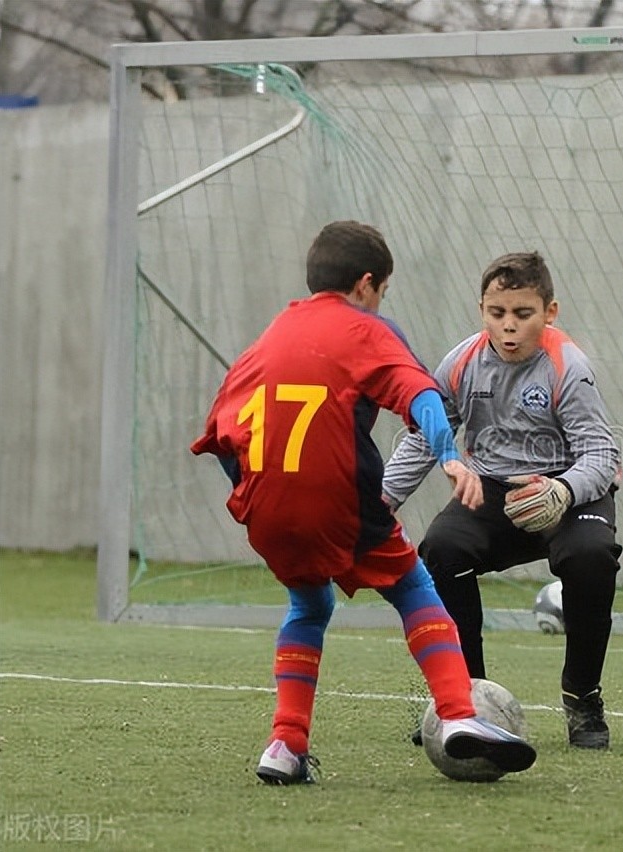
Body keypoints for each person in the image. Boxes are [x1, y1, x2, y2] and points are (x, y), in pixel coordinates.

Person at [190, 221, 536, 784]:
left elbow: (220, 428)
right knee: (412, 587)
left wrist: (255, 496)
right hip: (339, 500)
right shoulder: (366, 329)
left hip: (266, 505)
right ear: (366, 285)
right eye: (382, 293)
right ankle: (456, 714)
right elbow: (420, 392)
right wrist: (448, 454)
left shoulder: (273, 333)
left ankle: (284, 744)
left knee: (308, 607)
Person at [383, 250, 622, 750]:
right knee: (442, 550)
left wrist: (563, 490)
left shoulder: (568, 367)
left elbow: (601, 453)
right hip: (493, 490)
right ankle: (463, 700)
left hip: (566, 487)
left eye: (523, 314)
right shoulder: (464, 361)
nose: (509, 327)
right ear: (483, 311)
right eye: (498, 314)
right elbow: (429, 434)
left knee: (591, 556)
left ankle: (582, 697)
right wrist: (382, 498)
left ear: (549, 313)